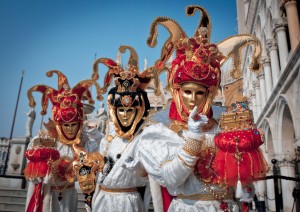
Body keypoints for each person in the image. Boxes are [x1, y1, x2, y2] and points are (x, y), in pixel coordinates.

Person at [123, 5, 264, 212]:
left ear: (210, 94)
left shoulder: (223, 121)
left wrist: (245, 176)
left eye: (200, 93)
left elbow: (237, 171)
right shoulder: (159, 128)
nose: (193, 100)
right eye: (187, 92)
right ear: (177, 91)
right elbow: (170, 176)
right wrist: (194, 137)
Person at [91, 45, 158, 212]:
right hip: (103, 199)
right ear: (114, 110)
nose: (125, 115)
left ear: (139, 110)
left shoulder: (145, 138)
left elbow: (155, 177)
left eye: (130, 110)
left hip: (127, 202)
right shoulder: (108, 138)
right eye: (121, 110)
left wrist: (141, 172)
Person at [23, 70, 102, 212]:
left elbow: (93, 172)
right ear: (59, 125)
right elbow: (32, 177)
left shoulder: (85, 143)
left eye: (74, 125)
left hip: (68, 196)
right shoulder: (44, 142)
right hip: (46, 195)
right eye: (66, 125)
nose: (70, 130)